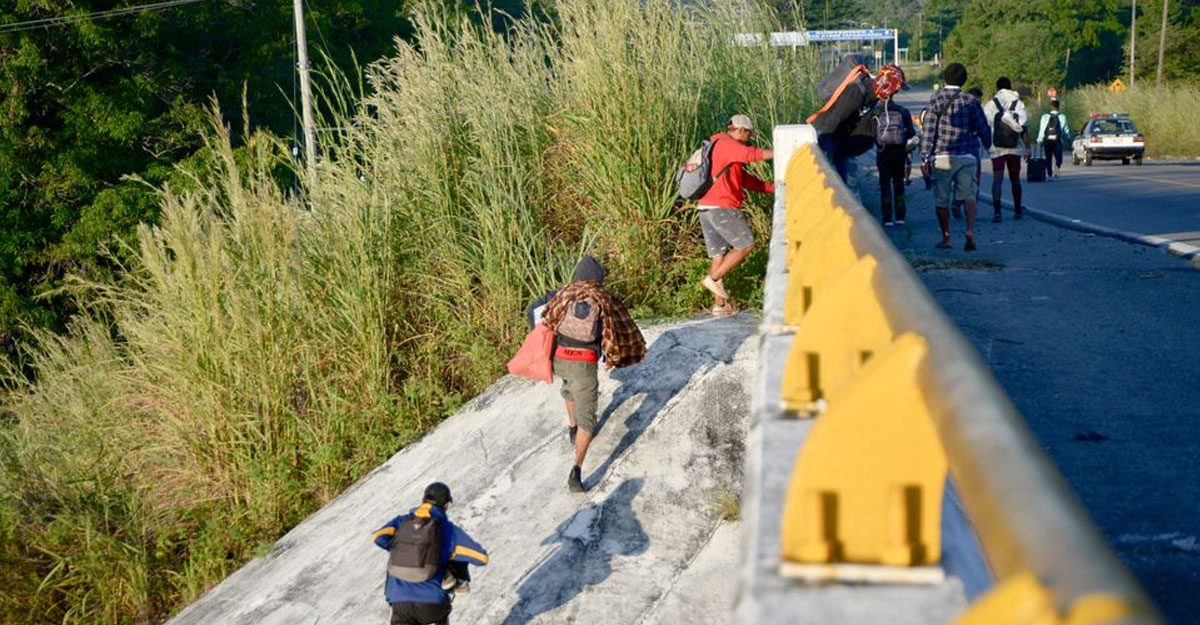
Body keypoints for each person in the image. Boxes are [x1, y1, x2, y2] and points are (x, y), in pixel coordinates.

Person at [526, 256, 645, 492]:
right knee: (588, 423)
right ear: (599, 278)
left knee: (568, 389)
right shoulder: (603, 297)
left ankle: (572, 428)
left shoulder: (563, 293)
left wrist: (539, 338)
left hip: (559, 359)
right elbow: (624, 329)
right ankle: (576, 471)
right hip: (584, 364)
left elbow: (532, 309)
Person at [373, 482, 489, 625]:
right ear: (446, 505)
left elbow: (378, 537)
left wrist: (404, 548)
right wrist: (448, 556)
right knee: (454, 555)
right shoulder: (448, 529)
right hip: (432, 604)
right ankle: (450, 580)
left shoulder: (401, 521)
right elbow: (481, 558)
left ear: (423, 500)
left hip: (399, 602)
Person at [695, 114, 774, 316]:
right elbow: (750, 154)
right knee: (745, 245)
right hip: (722, 206)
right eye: (748, 135)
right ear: (740, 130)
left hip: (706, 207)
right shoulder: (727, 144)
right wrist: (781, 152)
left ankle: (720, 306)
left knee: (719, 254)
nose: (749, 139)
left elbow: (746, 180)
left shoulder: (718, 147)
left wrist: (774, 187)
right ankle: (713, 279)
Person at [920, 62, 992, 251]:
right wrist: (987, 144)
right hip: (968, 155)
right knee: (969, 195)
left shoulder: (936, 99)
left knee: (942, 199)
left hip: (942, 156)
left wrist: (925, 156)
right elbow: (983, 127)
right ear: (964, 79)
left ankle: (946, 237)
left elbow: (929, 129)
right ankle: (970, 231)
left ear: (945, 78)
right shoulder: (971, 101)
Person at [870, 64, 916, 226]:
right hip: (899, 151)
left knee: (884, 184)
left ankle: (887, 217)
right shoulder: (902, 111)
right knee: (898, 183)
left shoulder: (875, 112)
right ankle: (900, 216)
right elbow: (911, 133)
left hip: (882, 151)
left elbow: (871, 133)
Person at [982, 78, 1031, 221]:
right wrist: (1028, 148)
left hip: (997, 148)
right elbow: (1023, 128)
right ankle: (1017, 210)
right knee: (1015, 179)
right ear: (1010, 87)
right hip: (1014, 148)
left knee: (997, 179)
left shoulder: (991, 104)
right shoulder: (1018, 103)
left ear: (997, 88)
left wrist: (986, 145)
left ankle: (997, 213)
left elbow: (986, 126)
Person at [1037, 99, 1070, 178]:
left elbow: (1042, 129)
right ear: (1058, 107)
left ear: (1051, 106)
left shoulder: (1045, 117)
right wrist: (1068, 138)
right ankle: (1057, 167)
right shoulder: (1062, 117)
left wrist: (1039, 140)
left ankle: (1049, 172)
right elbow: (1065, 129)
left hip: (1047, 140)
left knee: (1048, 157)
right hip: (1058, 140)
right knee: (1058, 157)